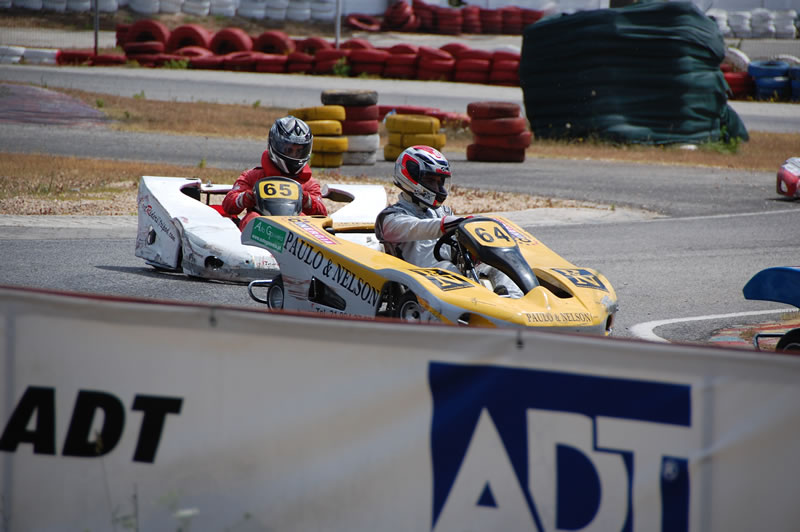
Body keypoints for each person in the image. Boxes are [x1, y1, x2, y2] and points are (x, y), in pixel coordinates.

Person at [374, 145, 524, 298]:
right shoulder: (390, 217)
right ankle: (482, 307)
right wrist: (451, 223)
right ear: (411, 177)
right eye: (431, 181)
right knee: (446, 268)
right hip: (420, 282)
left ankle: (517, 304)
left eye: (440, 182)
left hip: (452, 277)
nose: (438, 188)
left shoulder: (442, 212)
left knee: (499, 266)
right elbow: (418, 228)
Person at [222, 115, 327, 229]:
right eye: (289, 150)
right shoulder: (254, 176)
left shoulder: (308, 183)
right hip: (261, 226)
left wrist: (305, 199)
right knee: (252, 219)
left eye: (299, 151)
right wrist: (247, 197)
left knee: (304, 221)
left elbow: (322, 214)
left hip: (294, 231)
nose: (294, 155)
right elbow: (228, 204)